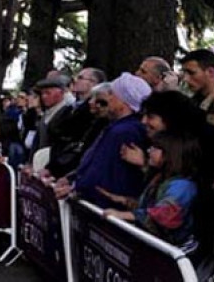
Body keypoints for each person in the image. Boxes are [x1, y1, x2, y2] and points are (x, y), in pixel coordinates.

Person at [53, 73, 151, 209]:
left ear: (124, 101)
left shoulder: (124, 131)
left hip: (105, 206)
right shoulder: (116, 127)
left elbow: (103, 170)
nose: (108, 98)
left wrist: (78, 187)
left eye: (112, 94)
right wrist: (72, 178)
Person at [101, 132, 201, 254]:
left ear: (171, 153)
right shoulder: (160, 178)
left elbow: (165, 214)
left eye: (155, 148)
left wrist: (124, 215)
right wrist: (125, 200)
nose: (149, 151)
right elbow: (150, 207)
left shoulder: (183, 186)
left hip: (177, 252)